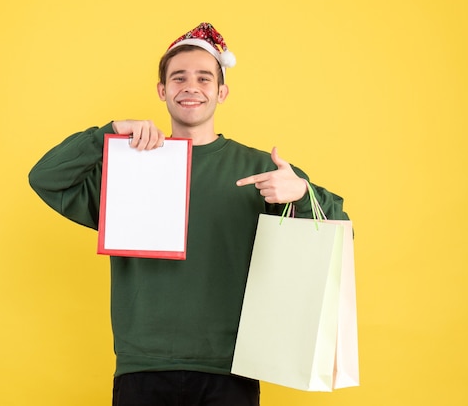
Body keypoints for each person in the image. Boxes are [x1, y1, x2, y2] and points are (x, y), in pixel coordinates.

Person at [29, 22, 349, 406]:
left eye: (204, 78)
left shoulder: (260, 169)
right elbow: (46, 177)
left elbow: (338, 231)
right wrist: (110, 133)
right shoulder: (128, 167)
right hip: (142, 366)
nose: (191, 87)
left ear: (222, 92)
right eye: (178, 78)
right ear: (163, 91)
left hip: (231, 368)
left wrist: (301, 193)